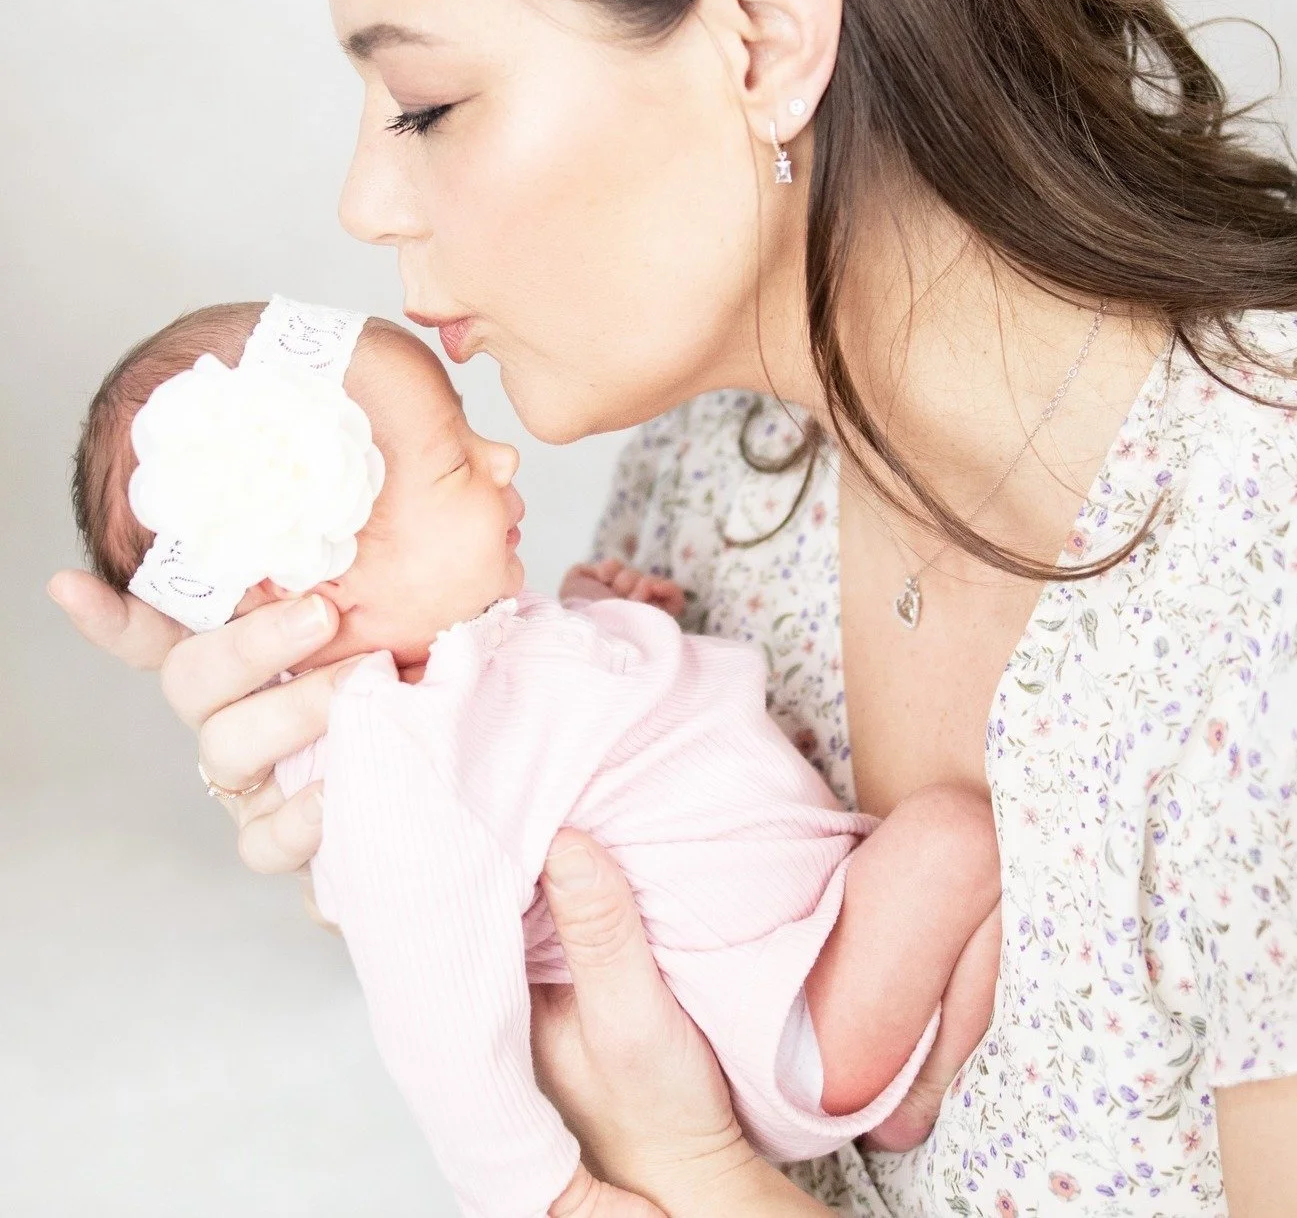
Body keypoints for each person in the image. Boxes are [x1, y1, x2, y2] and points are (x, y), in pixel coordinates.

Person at [48, 0, 1297, 1218]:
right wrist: (397, 810)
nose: (364, 208)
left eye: (426, 102)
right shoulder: (719, 480)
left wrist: (693, 1178)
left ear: (760, 34)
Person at [68, 293, 1001, 1216]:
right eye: (453, 462)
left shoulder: (456, 669)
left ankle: (900, 1085)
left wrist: (603, 610)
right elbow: (437, 1017)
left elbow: (556, 734)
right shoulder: (397, 755)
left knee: (943, 851)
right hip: (773, 1015)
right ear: (312, 581)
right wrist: (545, 1191)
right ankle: (904, 1089)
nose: (500, 455)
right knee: (958, 839)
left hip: (789, 968)